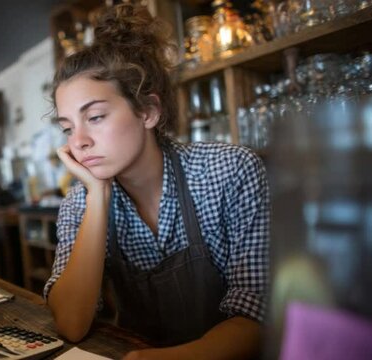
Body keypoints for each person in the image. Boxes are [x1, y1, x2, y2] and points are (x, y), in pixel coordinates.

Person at [43, 4, 269, 360]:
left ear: (148, 111)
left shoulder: (229, 171)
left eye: (96, 117)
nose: (79, 141)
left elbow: (257, 318)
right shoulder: (79, 203)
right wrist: (98, 195)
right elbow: (71, 323)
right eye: (68, 128)